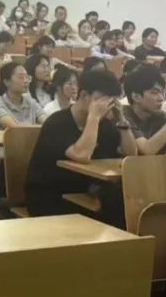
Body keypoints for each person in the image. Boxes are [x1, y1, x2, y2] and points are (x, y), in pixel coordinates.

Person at [27, 69, 138, 217]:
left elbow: (130, 154)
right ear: (84, 95)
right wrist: (93, 117)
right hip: (51, 195)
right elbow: (81, 155)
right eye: (102, 100)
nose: (107, 106)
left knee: (124, 200)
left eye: (111, 101)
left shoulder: (104, 125)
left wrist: (121, 120)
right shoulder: (57, 123)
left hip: (87, 191)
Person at [0, 61, 42, 130]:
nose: (26, 81)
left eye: (27, 77)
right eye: (21, 77)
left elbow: (47, 121)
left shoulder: (31, 102)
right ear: (6, 82)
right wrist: (41, 127)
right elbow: (15, 128)